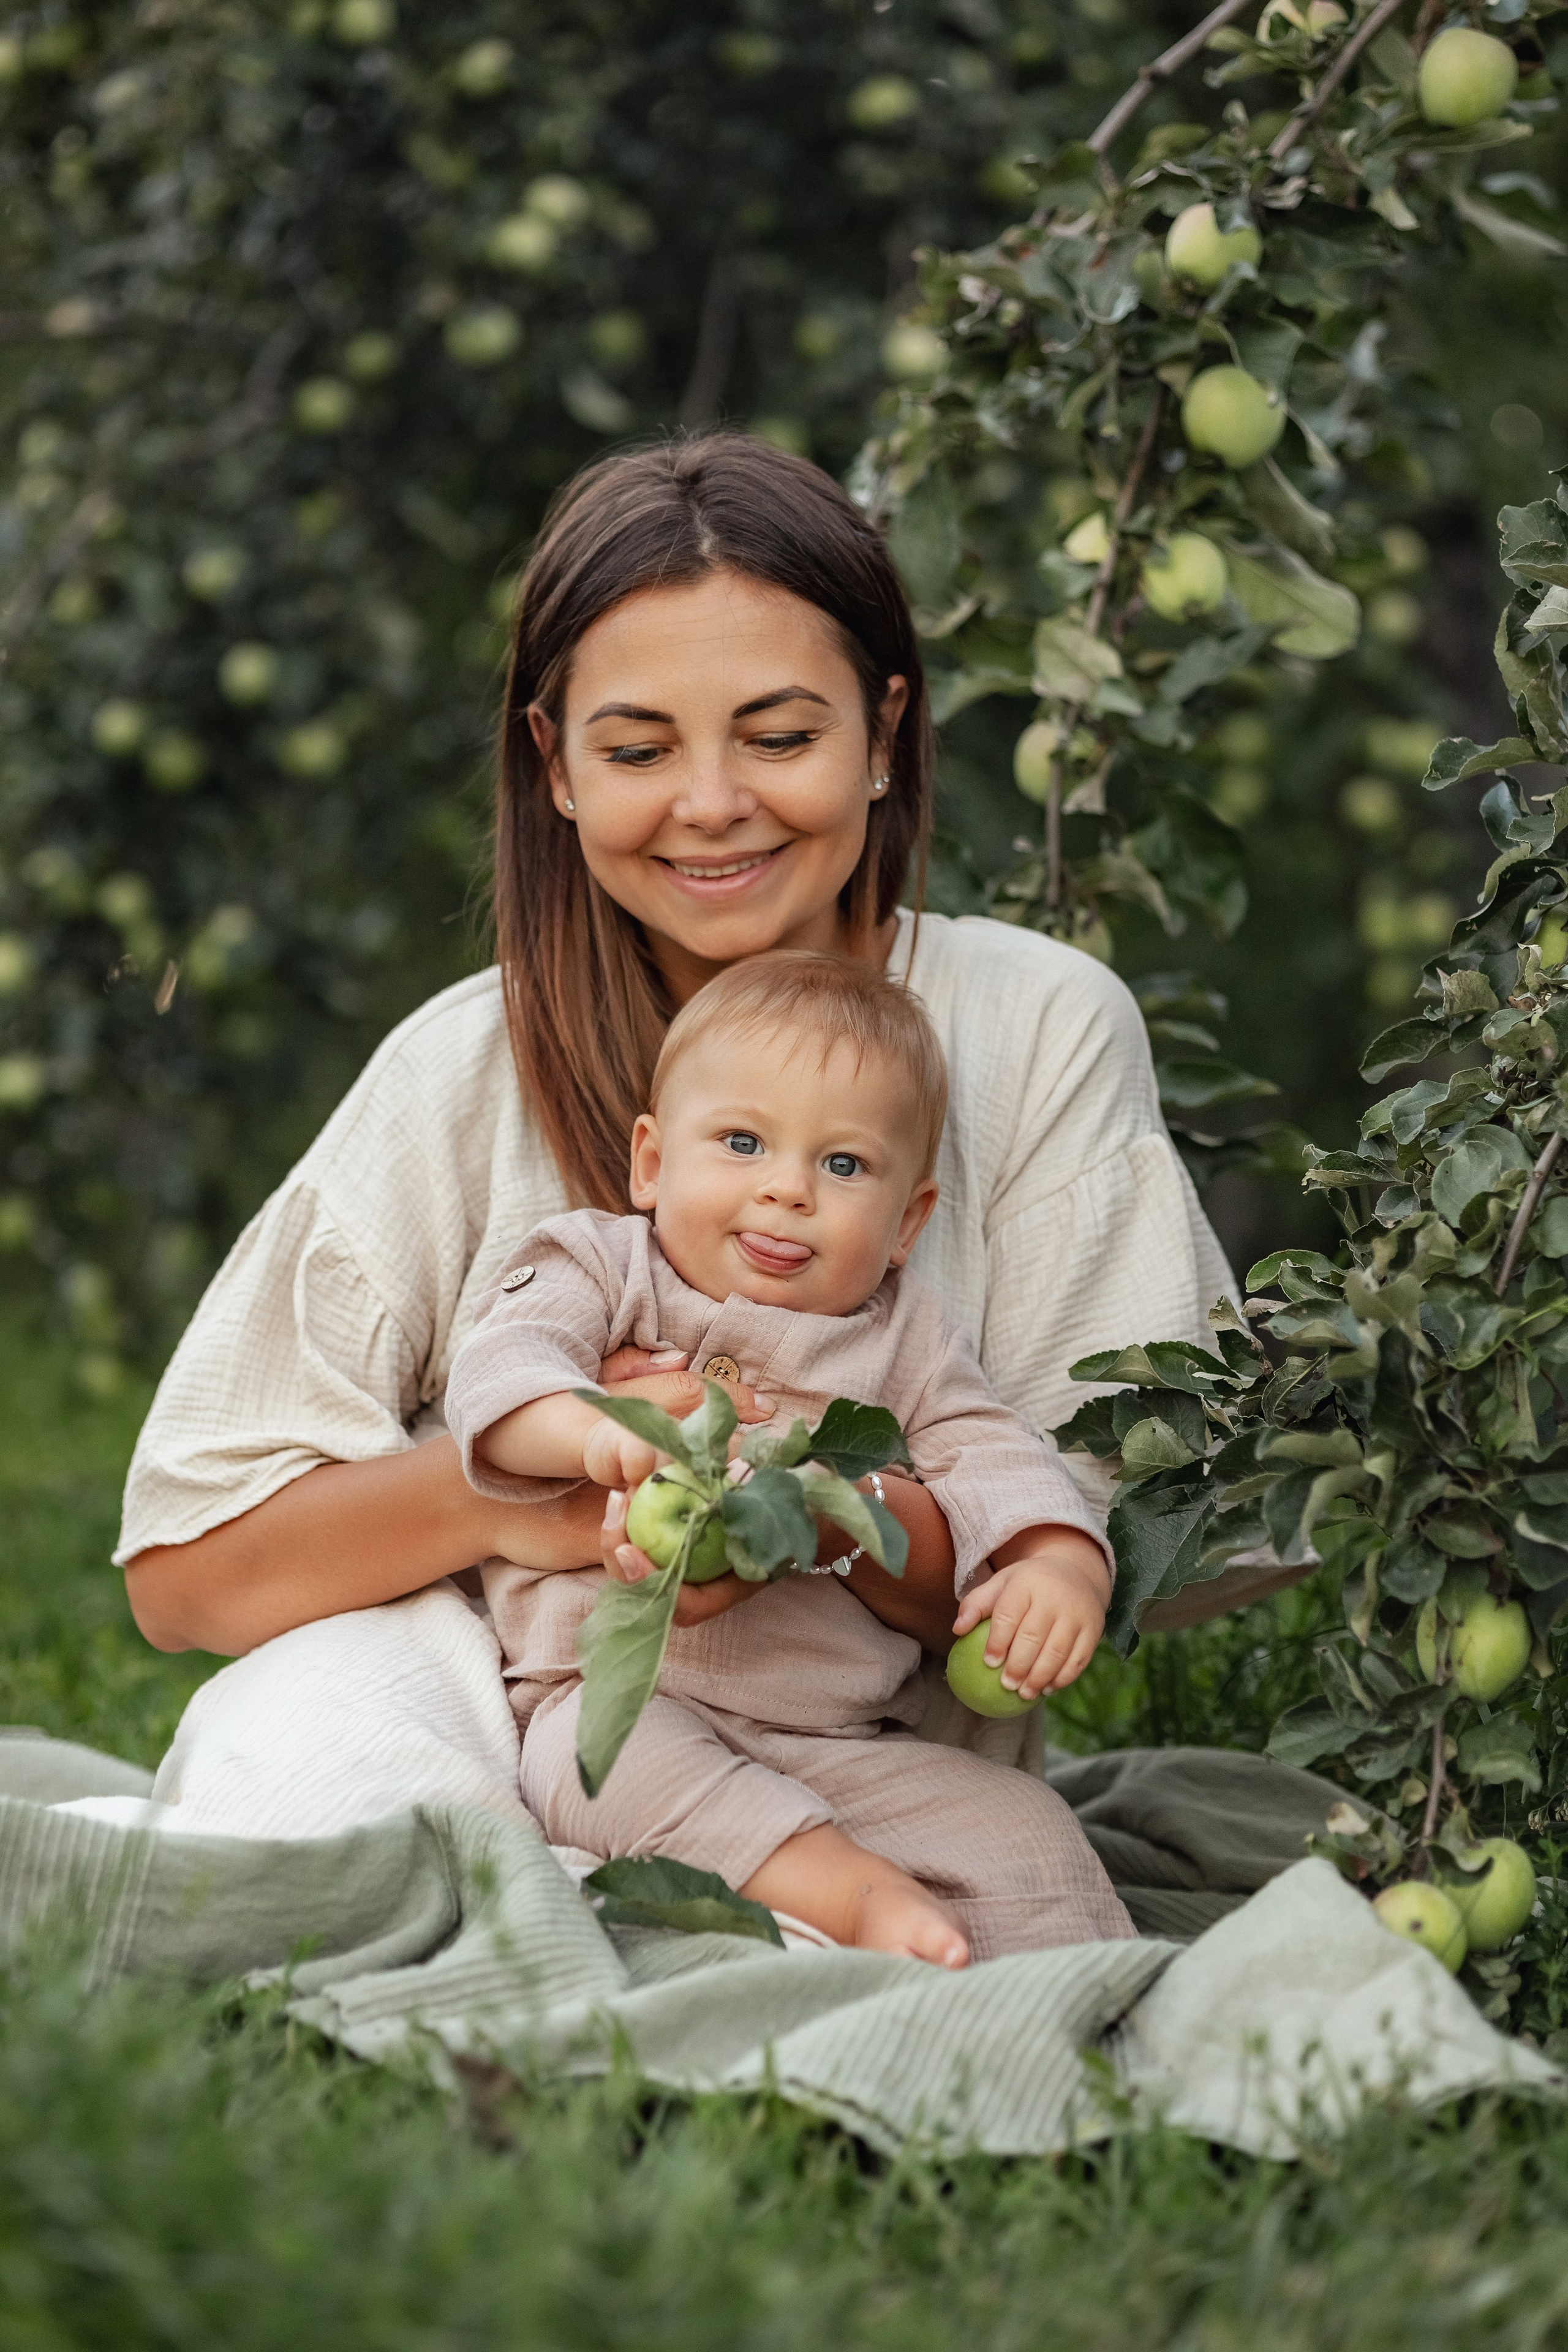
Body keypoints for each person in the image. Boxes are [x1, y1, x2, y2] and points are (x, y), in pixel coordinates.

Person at [116, 431, 1234, 1850]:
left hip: (850, 1744)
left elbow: (1132, 1530)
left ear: (884, 734)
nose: (710, 803)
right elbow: (184, 1578)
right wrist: (536, 1506)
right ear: (557, 764)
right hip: (486, 1689)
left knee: (936, 1901)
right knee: (305, 1785)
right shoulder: (466, 1064)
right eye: (638, 748)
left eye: (778, 737)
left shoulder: (1032, 1027)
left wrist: (809, 1495)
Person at [446, 949, 1136, 1967]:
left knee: (1030, 1833)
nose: (786, 1191)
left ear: (907, 1223)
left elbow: (994, 1454)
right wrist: (597, 1428)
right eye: (740, 1142)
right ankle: (853, 1899)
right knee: (603, 1776)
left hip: (842, 1741)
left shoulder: (904, 1344)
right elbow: (501, 1371)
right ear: (650, 1162)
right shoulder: (601, 1265)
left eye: (843, 1166)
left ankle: (1094, 2010)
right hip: (624, 1702)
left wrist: (1055, 1564)